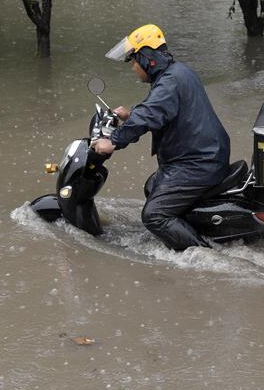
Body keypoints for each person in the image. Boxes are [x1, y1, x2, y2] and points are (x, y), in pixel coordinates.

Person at [91, 24, 231, 250]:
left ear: (147, 58)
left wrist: (113, 141)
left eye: (134, 60)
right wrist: (130, 114)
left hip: (198, 163)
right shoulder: (176, 73)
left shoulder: (169, 81)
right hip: (205, 155)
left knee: (154, 215)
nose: (133, 67)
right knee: (152, 187)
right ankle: (185, 230)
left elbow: (152, 112)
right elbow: (157, 109)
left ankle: (202, 254)